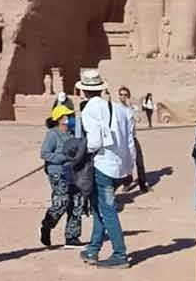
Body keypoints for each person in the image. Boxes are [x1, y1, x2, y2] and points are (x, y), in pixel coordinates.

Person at [76, 69, 136, 269]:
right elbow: (130, 142)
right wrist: (129, 169)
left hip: (103, 166)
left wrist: (81, 151)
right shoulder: (120, 109)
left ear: (84, 91)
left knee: (107, 210)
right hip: (119, 166)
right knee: (99, 208)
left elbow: (94, 142)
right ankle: (93, 249)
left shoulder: (89, 110)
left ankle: (120, 254)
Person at [40, 105, 84, 249]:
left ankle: (72, 236)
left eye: (71, 116)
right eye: (67, 116)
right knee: (62, 202)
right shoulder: (52, 134)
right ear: (60, 119)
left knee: (77, 202)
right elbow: (45, 154)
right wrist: (63, 157)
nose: (70, 118)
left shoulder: (74, 133)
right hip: (57, 171)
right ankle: (47, 225)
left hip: (74, 172)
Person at [117, 87, 148, 192]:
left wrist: (130, 107)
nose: (123, 97)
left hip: (132, 138)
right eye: (121, 94)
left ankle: (142, 184)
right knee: (125, 162)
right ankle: (127, 183)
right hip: (122, 139)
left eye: (125, 95)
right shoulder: (117, 108)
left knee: (139, 160)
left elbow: (138, 119)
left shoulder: (133, 108)